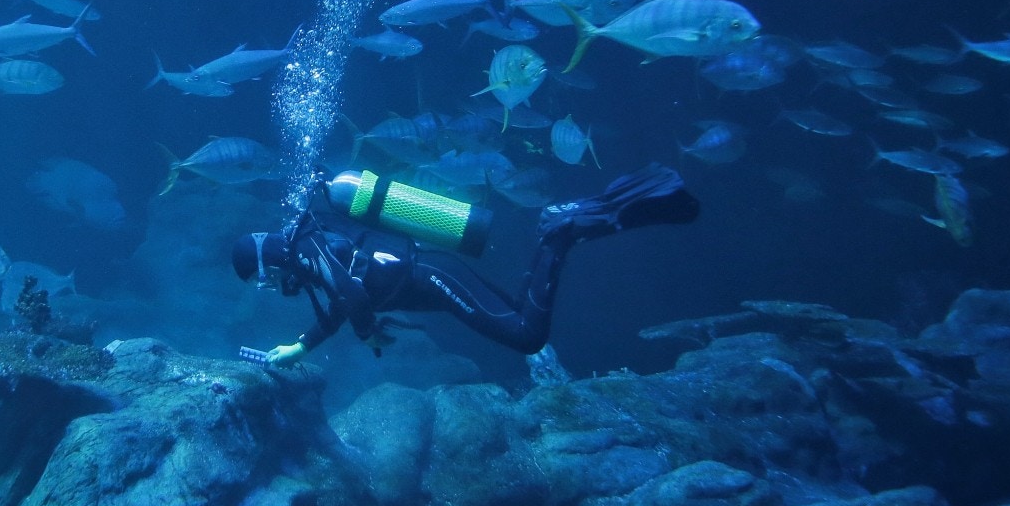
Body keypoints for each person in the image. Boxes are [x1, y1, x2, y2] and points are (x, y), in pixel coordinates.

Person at [233, 163, 698, 365]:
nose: (269, 284)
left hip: (433, 276)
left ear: (263, 258)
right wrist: (302, 347)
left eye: (261, 277)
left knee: (526, 335)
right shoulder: (309, 244)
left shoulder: (303, 248)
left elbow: (351, 295)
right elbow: (342, 294)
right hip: (432, 271)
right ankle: (577, 227)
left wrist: (367, 331)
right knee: (519, 312)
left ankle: (558, 231)